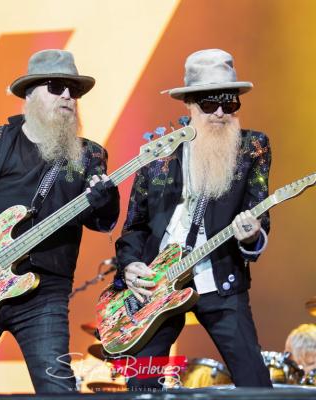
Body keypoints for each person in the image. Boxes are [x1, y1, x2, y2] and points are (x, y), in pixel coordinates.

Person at [0, 49, 120, 393]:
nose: (68, 96)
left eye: (74, 90)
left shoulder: (88, 155)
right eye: (56, 87)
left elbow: (102, 222)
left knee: (57, 389)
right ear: (29, 94)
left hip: (44, 293)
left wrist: (107, 200)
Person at [113, 49, 272, 388]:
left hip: (220, 280)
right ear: (189, 104)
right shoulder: (159, 152)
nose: (220, 113)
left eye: (229, 103)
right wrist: (129, 265)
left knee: (256, 385)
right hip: (158, 285)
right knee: (141, 385)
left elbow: (259, 216)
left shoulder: (252, 147)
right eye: (209, 103)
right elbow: (135, 226)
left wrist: (251, 236)